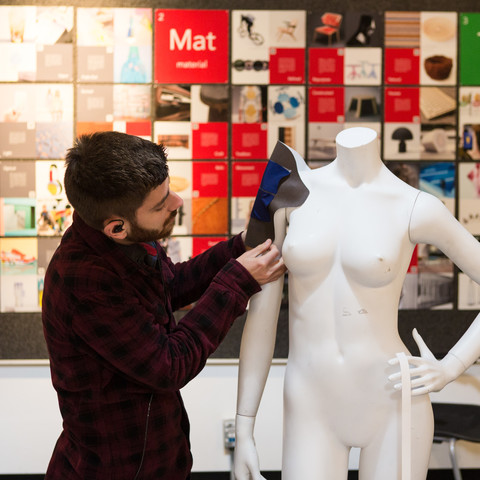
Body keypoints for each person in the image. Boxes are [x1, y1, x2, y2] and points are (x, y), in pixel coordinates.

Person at [234, 126, 480, 480]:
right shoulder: (290, 189)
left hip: (393, 397)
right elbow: (262, 310)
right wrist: (244, 424)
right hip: (309, 399)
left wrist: (451, 367)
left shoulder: (414, 205)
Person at [41, 131, 286, 480]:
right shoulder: (84, 280)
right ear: (116, 227)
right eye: (160, 205)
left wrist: (240, 247)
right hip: (117, 470)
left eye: (168, 190)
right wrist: (237, 282)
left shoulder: (128, 242)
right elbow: (170, 364)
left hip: (161, 459)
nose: (177, 202)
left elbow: (171, 285)